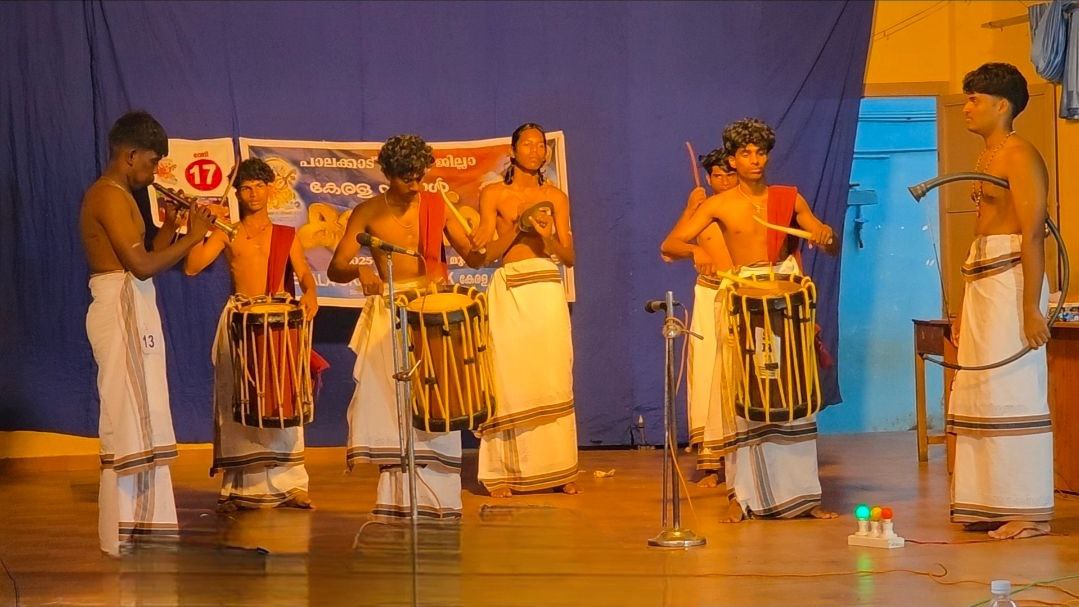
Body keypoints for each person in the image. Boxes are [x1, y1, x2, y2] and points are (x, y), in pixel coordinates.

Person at [665, 117, 837, 521]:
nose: (755, 159)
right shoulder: (719, 204)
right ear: (733, 159)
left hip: (785, 303)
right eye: (746, 153)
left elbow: (820, 236)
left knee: (791, 397)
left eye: (761, 151)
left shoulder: (788, 199)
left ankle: (803, 496)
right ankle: (739, 496)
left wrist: (824, 235)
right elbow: (672, 243)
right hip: (743, 303)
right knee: (743, 398)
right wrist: (700, 254)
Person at [79, 110, 215, 555]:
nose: (154, 172)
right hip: (120, 304)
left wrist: (174, 226)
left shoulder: (123, 195)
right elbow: (139, 267)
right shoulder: (109, 195)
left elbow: (146, 254)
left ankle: (145, 527)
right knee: (130, 417)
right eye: (153, 162)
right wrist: (194, 237)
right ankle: (126, 532)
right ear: (130, 154)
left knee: (145, 414)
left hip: (130, 302)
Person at [328, 134, 474, 518]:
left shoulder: (435, 206)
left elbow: (473, 255)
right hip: (390, 310)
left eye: (419, 172)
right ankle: (398, 500)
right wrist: (362, 272)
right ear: (389, 172)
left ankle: (441, 500)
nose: (415, 180)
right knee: (395, 407)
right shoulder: (368, 212)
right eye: (406, 174)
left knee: (436, 400)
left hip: (432, 309)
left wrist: (495, 242)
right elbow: (336, 266)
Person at [948, 63, 1052, 540]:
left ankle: (1027, 509)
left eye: (975, 99)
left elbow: (1033, 233)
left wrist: (1032, 307)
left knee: (1012, 387)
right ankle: (989, 499)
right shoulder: (987, 156)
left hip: (1013, 277)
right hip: (983, 278)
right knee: (982, 389)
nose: (967, 107)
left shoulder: (1019, 154)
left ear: (1001, 104)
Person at [184, 157, 322, 512]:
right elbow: (192, 266)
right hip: (240, 321)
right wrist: (201, 229)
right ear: (239, 193)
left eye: (260, 186)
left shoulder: (286, 235)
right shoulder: (227, 232)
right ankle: (238, 486)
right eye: (246, 188)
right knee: (238, 399)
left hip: (278, 322)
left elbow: (305, 274)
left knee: (282, 397)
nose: (253, 194)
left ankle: (292, 484)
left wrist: (310, 293)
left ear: (271, 190)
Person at [468, 122, 579, 498]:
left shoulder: (557, 197)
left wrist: (545, 234)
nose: (535, 150)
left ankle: (559, 470)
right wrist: (518, 228)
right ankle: (502, 474)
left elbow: (568, 257)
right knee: (510, 378)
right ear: (512, 151)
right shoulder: (494, 193)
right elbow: (486, 257)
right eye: (527, 144)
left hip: (546, 287)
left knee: (551, 374)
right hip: (511, 287)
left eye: (540, 145)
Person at [660, 147, 739, 486]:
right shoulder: (704, 206)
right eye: (717, 176)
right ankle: (711, 462)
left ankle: (744, 456)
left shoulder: (749, 206)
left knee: (738, 374)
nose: (723, 181)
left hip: (742, 294)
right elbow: (668, 247)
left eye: (729, 174)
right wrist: (696, 247)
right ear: (708, 178)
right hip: (708, 294)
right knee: (707, 373)